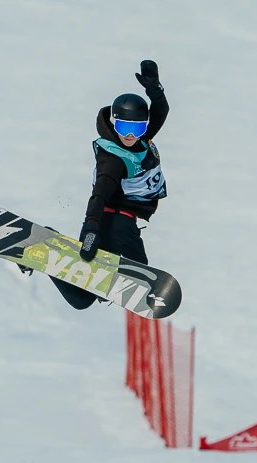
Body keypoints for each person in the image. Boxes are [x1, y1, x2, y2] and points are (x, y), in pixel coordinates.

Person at [50, 59, 170, 309]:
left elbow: (161, 112)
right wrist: (92, 228)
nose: (129, 135)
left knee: (82, 299)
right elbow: (99, 195)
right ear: (114, 124)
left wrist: (155, 90)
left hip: (114, 222)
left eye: (136, 128)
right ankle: (53, 249)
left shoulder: (139, 141)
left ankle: (52, 248)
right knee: (141, 277)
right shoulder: (113, 160)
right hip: (114, 222)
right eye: (124, 127)